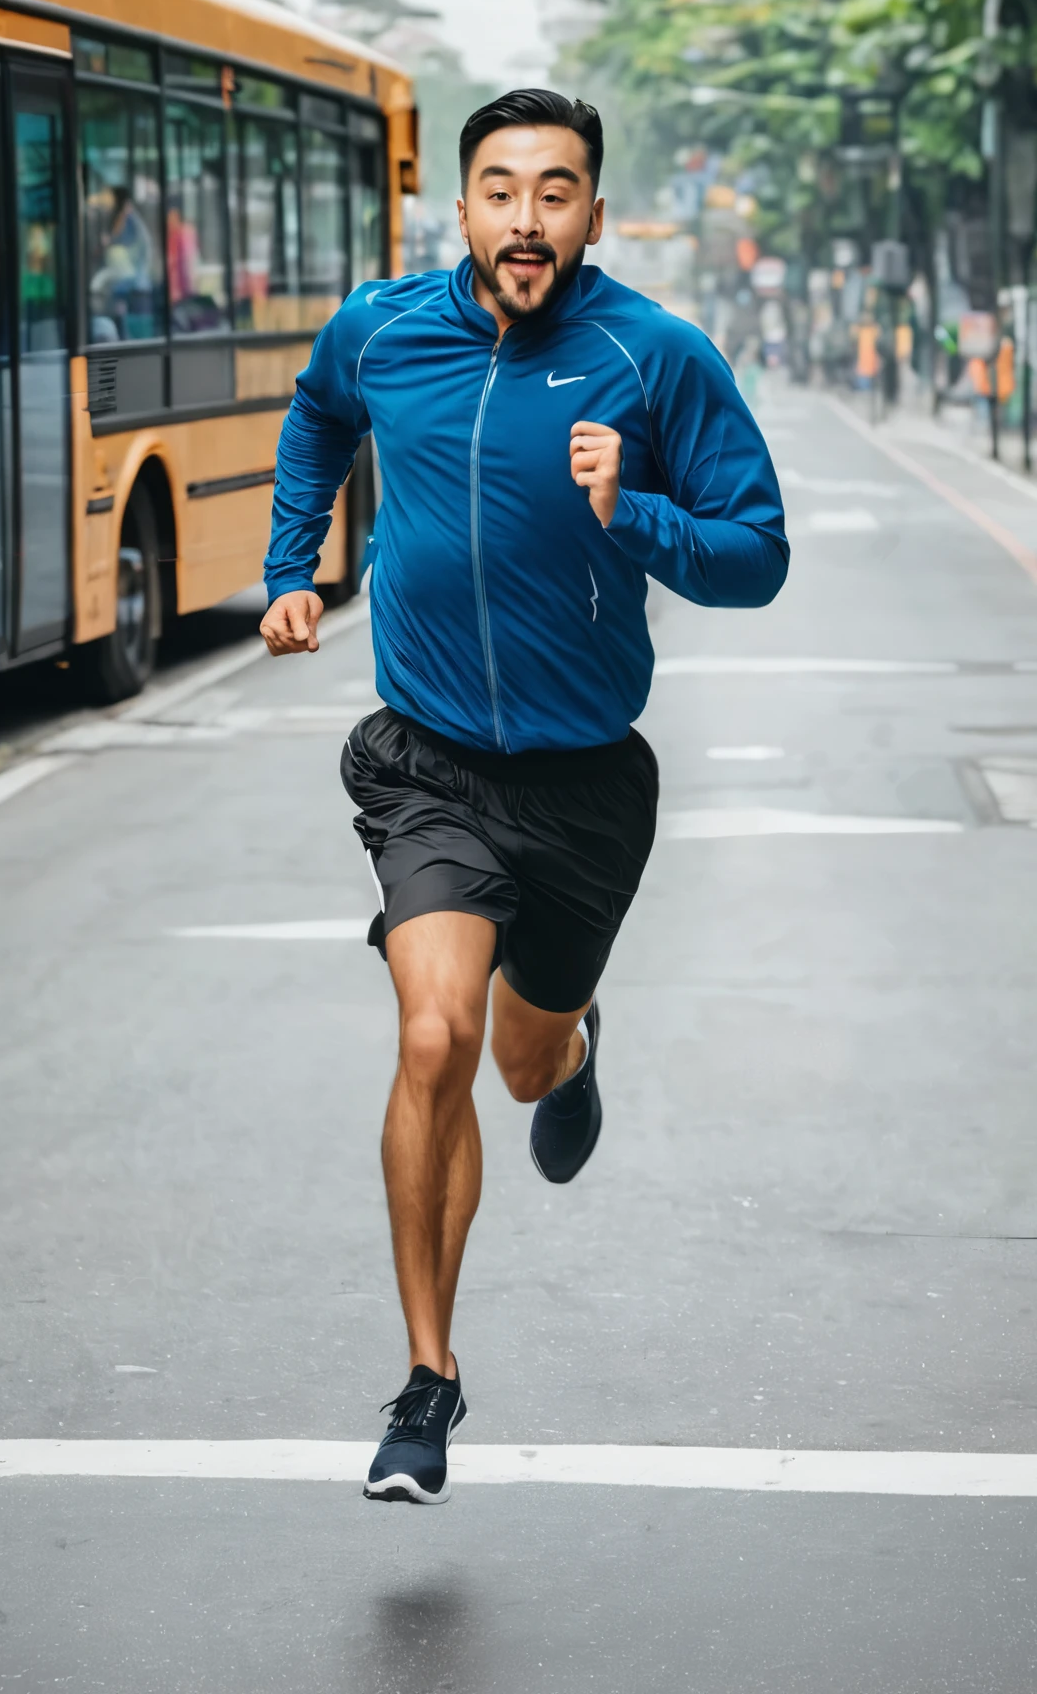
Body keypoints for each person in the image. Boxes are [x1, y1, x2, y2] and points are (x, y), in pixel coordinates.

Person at [260, 90, 788, 1505]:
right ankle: (428, 1385)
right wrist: (291, 566)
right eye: (502, 191)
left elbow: (760, 553)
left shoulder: (654, 356)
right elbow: (314, 423)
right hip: (427, 764)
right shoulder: (381, 329)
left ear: (594, 218)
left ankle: (574, 1042)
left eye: (557, 194)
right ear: (465, 208)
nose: (526, 220)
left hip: (586, 793)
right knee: (431, 1037)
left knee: (513, 1058)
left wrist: (642, 514)